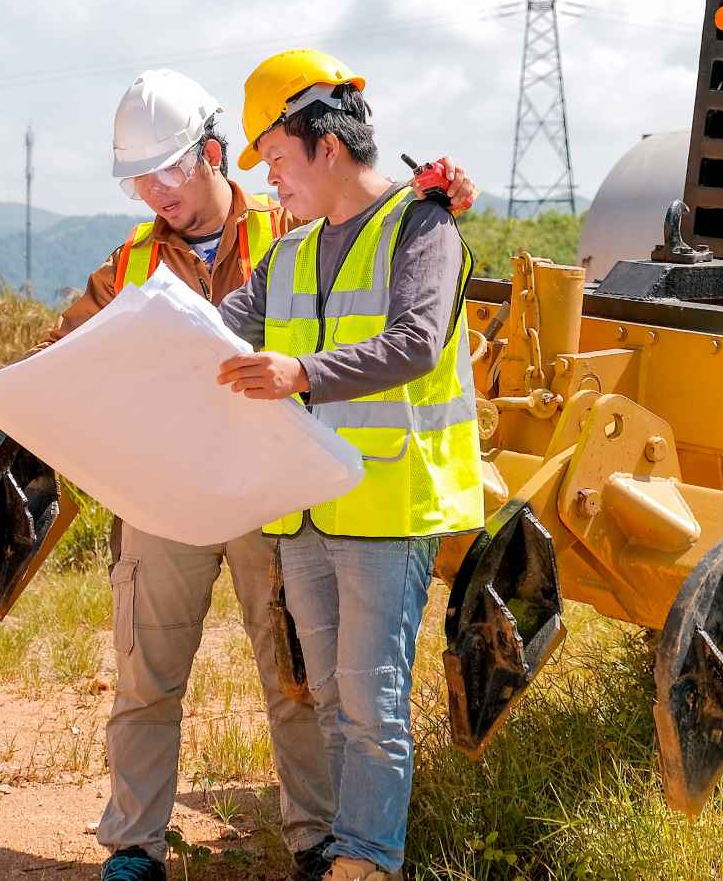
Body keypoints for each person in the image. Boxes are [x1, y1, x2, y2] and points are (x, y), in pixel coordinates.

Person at [39, 69, 475, 881]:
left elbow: (413, 334)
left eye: (166, 173)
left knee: (325, 692)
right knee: (218, 686)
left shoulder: (360, 222)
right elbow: (178, 337)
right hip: (233, 500)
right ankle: (161, 849)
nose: (154, 194)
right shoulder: (218, 255)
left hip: (324, 499)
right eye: (139, 180)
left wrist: (299, 370)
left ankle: (338, 850)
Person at [214, 50, 485, 881]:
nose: (273, 185)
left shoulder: (423, 228)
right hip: (305, 509)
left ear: (327, 147)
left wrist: (302, 373)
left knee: (372, 702)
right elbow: (212, 327)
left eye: (280, 163)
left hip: (386, 504)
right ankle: (344, 846)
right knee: (329, 696)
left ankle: (369, 860)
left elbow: (413, 341)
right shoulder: (288, 256)